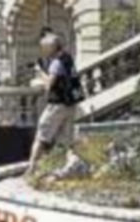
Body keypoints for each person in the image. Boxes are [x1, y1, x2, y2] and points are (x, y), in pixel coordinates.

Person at [26, 32, 84, 176]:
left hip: (57, 105)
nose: (43, 51)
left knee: (41, 136)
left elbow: (49, 85)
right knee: (68, 139)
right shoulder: (68, 58)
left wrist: (39, 72)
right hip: (70, 104)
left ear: (51, 48)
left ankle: (31, 168)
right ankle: (73, 168)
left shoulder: (56, 63)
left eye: (44, 48)